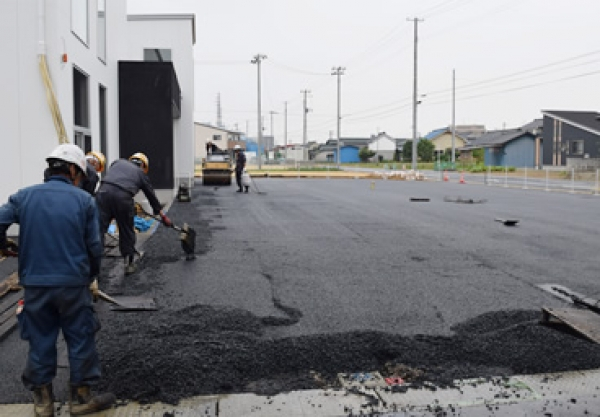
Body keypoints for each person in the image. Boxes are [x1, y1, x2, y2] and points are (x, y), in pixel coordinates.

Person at [0, 143, 115, 417]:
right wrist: (91, 276)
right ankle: (81, 398)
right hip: (73, 284)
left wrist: (3, 245)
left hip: (36, 284)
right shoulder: (84, 201)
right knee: (80, 337)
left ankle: (43, 404)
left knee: (40, 338)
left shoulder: (24, 196)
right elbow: (94, 247)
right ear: (73, 170)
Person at [95, 152, 172, 275]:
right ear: (143, 166)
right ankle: (129, 263)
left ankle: (94, 269)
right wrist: (162, 215)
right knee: (126, 230)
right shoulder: (141, 174)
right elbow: (151, 195)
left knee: (98, 230)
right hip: (123, 198)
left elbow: (115, 180)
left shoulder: (118, 162)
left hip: (102, 194)